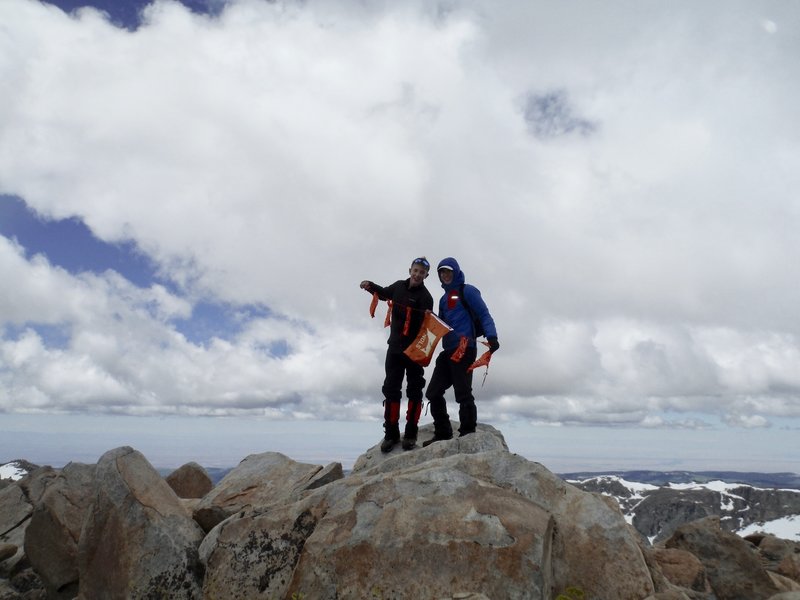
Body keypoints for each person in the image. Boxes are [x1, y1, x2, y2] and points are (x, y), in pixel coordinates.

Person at [360, 257, 434, 452]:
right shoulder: (399, 287)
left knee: (415, 390)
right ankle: (391, 434)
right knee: (391, 390)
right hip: (394, 349)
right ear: (410, 270)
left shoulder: (426, 297)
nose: (418, 274)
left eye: (422, 272)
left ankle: (410, 434)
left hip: (413, 352)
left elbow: (428, 328)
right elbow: (384, 294)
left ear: (427, 275)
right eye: (415, 270)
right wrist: (370, 286)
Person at [423, 257, 499, 446]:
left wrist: (492, 337)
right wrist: (429, 319)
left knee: (463, 392)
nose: (445, 275)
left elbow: (484, 314)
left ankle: (467, 433)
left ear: (456, 272)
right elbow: (442, 325)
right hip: (448, 350)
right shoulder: (442, 299)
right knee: (433, 392)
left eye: (448, 271)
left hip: (465, 348)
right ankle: (443, 432)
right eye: (442, 272)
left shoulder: (468, 291)